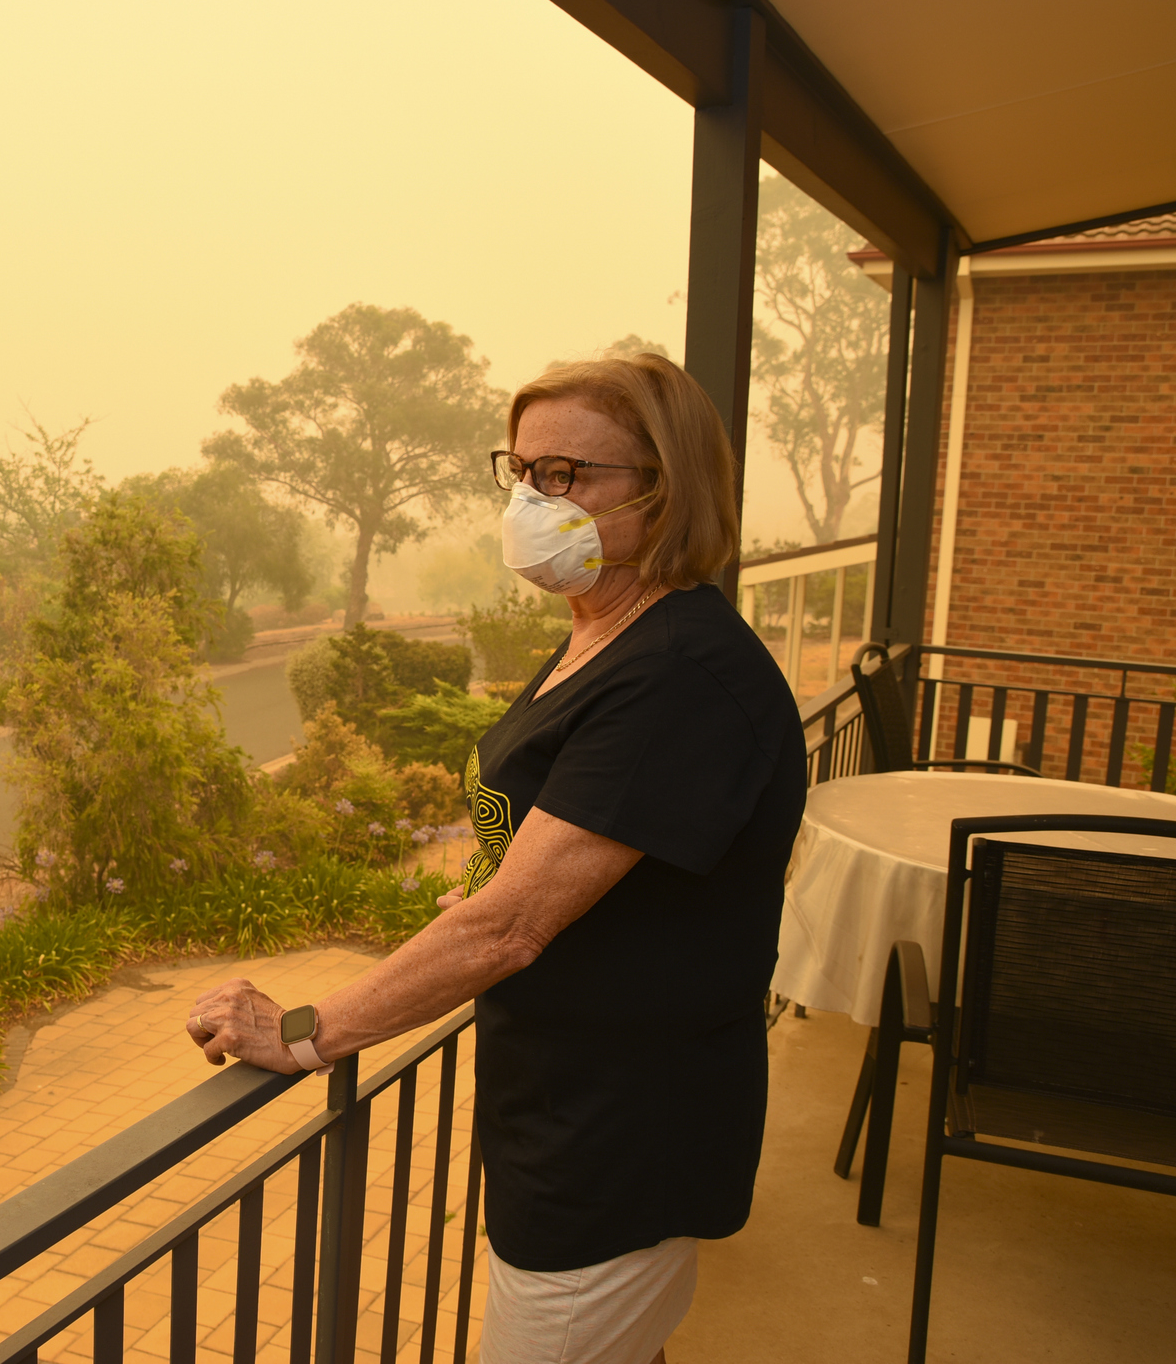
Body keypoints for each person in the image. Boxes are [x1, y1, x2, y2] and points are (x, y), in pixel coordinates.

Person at [185, 353, 804, 1364]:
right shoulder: (601, 636)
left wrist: (303, 1029)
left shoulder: (677, 678)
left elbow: (513, 923)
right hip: (566, 1108)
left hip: (619, 1139)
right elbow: (542, 857)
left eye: (568, 475)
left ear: (666, 487)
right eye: (520, 471)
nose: (533, 498)